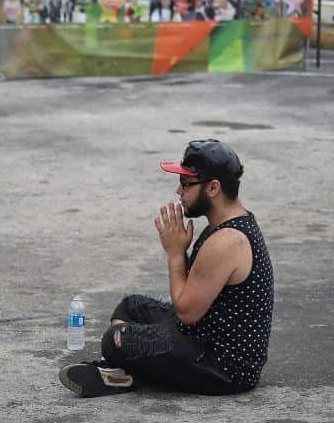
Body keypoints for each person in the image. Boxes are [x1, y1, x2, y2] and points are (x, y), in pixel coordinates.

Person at [59, 139, 274, 398]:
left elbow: (186, 312)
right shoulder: (226, 225)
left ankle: (126, 372)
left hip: (223, 367)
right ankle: (127, 372)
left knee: (115, 339)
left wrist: (175, 254)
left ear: (213, 188)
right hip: (202, 335)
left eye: (186, 183)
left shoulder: (227, 241)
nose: (178, 191)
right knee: (131, 307)